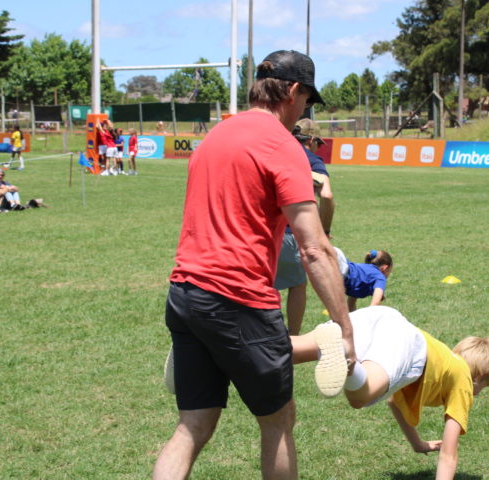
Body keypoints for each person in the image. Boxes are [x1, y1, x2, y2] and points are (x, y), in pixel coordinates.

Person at [153, 50, 356, 480]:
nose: (304, 112)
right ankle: (323, 341)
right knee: (279, 421)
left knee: (193, 425)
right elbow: (314, 248)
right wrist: (345, 328)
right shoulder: (282, 146)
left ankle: (284, 344)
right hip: (239, 299)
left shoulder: (216, 137)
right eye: (307, 102)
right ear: (294, 91)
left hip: (185, 293)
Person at [291, 305, 489, 480]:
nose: (476, 394)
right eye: (482, 389)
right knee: (360, 397)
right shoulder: (464, 380)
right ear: (480, 376)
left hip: (382, 316)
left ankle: (276, 339)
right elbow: (449, 454)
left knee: (290, 351)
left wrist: (417, 444)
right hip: (406, 340)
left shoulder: (445, 362)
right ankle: (347, 357)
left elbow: (394, 402)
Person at [274, 118, 335, 335]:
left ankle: (264, 333)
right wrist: (324, 231)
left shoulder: (277, 152)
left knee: (264, 285)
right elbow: (326, 195)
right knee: (298, 284)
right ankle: (292, 337)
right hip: (292, 232)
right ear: (311, 140)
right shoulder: (312, 160)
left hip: (265, 232)